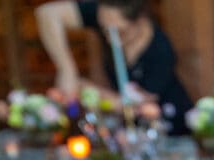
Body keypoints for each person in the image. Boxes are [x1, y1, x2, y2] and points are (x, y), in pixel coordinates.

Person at [35, 0, 192, 134]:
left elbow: (136, 106)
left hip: (168, 129)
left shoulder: (161, 52)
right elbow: (47, 13)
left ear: (140, 20)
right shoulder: (108, 16)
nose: (111, 39)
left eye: (120, 32)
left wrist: (86, 88)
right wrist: (66, 69)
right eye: (105, 30)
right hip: (127, 133)